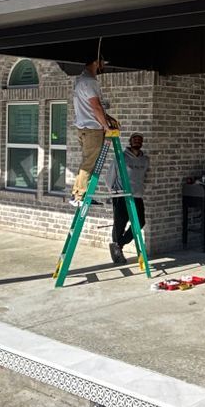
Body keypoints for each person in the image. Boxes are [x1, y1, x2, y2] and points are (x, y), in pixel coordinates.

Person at [70, 56, 118, 208]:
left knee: (89, 162)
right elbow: (96, 107)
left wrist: (107, 118)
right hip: (92, 129)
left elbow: (93, 108)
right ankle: (79, 196)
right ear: (96, 62)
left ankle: (83, 194)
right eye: (103, 62)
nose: (104, 65)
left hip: (84, 128)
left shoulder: (80, 80)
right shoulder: (90, 82)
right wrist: (106, 126)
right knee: (89, 163)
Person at [108, 132, 149, 265]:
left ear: (141, 143)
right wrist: (113, 192)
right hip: (121, 196)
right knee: (120, 224)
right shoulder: (121, 157)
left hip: (137, 196)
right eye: (134, 139)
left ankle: (118, 244)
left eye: (139, 139)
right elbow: (110, 176)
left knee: (140, 222)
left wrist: (142, 187)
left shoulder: (145, 160)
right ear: (130, 142)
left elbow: (144, 176)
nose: (137, 141)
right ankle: (117, 254)